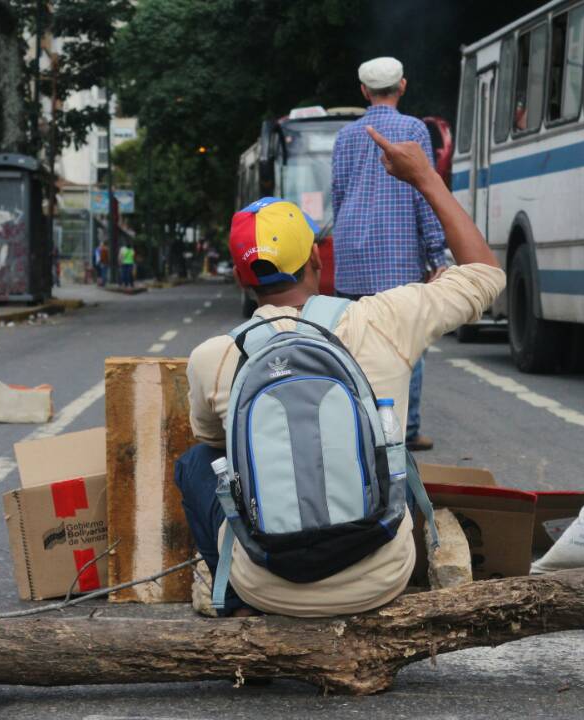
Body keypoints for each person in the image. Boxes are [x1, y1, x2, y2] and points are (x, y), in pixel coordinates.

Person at [179, 126, 504, 618]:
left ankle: (237, 604)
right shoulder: (384, 320)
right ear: (313, 256)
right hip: (380, 578)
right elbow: (485, 274)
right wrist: (426, 180)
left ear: (242, 278)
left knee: (196, 463)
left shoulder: (214, 356)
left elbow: (209, 439)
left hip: (268, 586)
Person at [331, 56, 446, 452]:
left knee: (355, 343)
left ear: (364, 91)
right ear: (403, 87)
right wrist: (437, 254)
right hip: (397, 257)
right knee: (408, 344)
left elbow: (338, 196)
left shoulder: (346, 136)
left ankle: (358, 425)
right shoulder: (414, 129)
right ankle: (406, 428)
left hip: (351, 256)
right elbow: (425, 193)